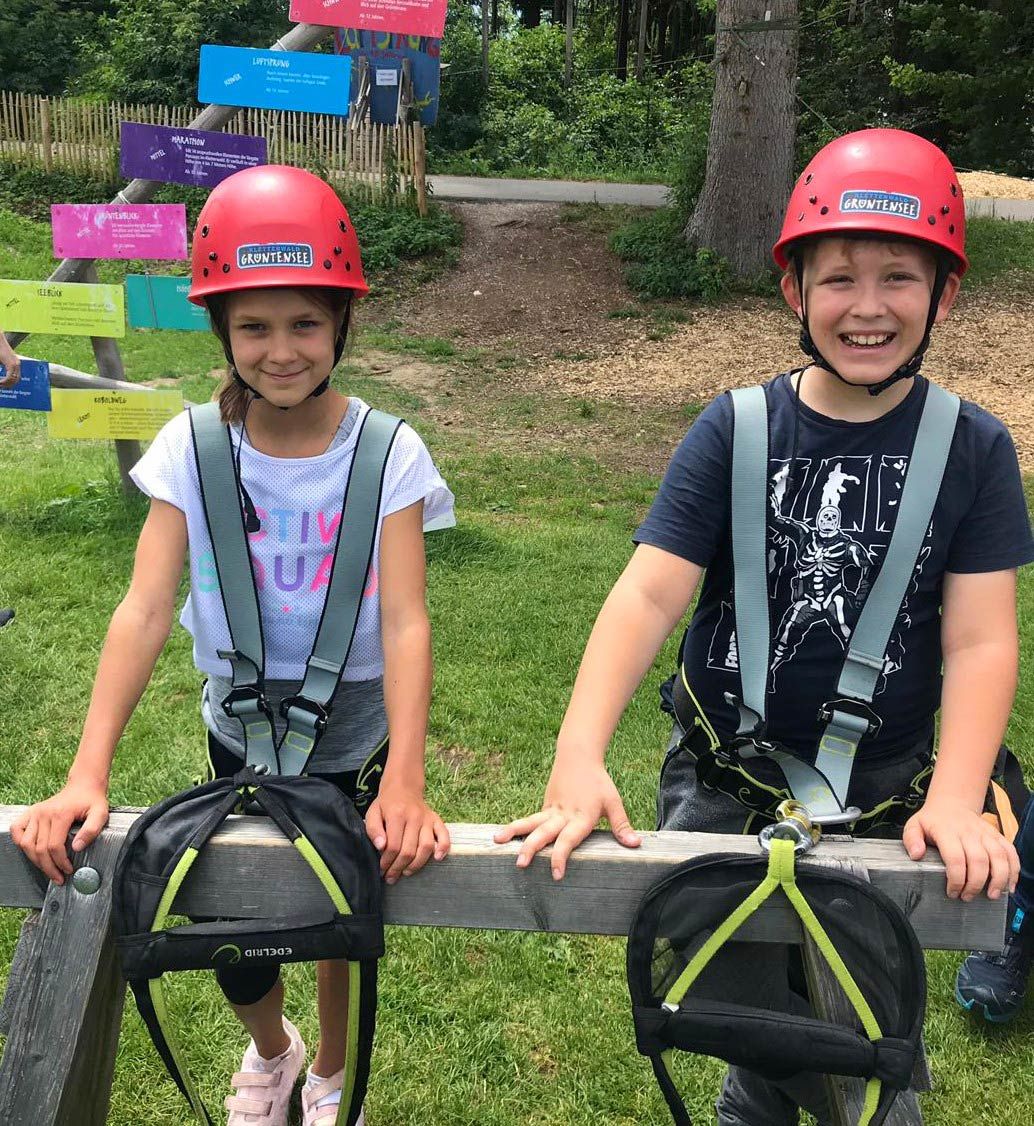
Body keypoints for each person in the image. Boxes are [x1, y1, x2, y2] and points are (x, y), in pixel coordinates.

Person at [497, 129, 1033, 1125]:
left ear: (942, 296)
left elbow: (979, 641)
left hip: (883, 799)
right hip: (722, 785)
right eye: (836, 278)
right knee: (736, 1011)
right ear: (792, 290)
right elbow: (647, 595)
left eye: (897, 278)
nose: (865, 305)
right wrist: (577, 751)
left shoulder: (971, 448)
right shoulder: (736, 429)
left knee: (864, 1035)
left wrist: (958, 798)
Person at [11, 164, 454, 1126]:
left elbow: (408, 619)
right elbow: (142, 606)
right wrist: (89, 771)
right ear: (222, 332)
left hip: (357, 729)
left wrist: (408, 778)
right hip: (241, 726)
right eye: (254, 326)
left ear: (342, 324)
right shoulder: (192, 448)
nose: (282, 349)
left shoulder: (390, 454)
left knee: (341, 906)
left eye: (305, 323)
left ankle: (334, 1067)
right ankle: (276, 1049)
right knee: (233, 908)